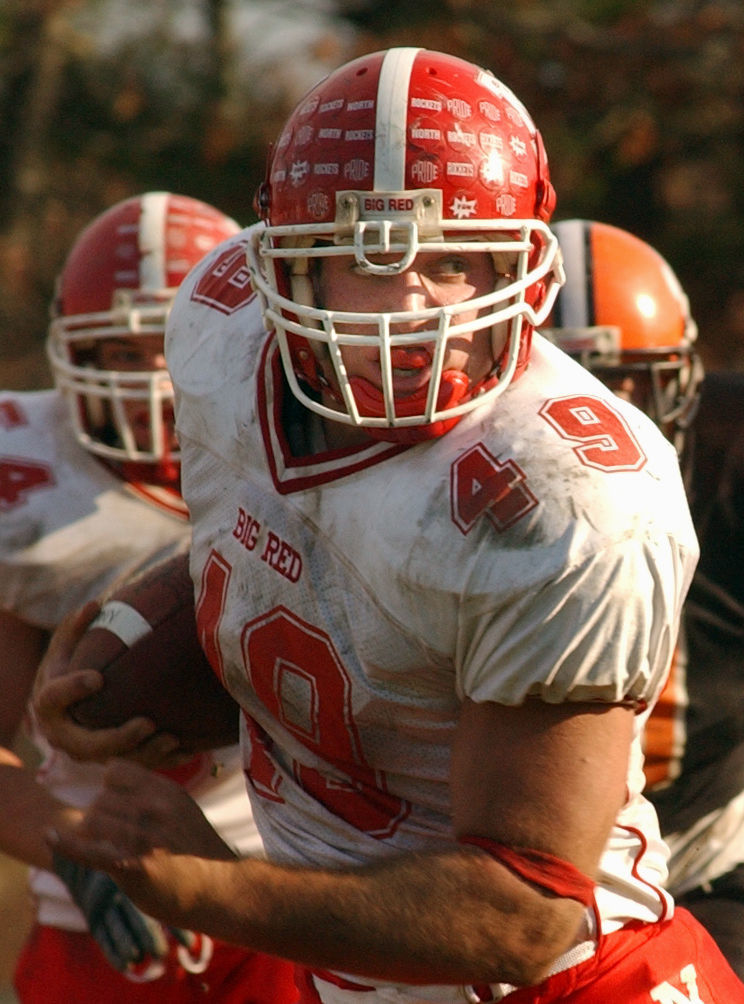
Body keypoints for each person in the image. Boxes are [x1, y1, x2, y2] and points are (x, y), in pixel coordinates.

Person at [33, 48, 744, 1003]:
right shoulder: (220, 324)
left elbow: (523, 914)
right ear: (284, 262)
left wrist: (217, 889)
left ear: (521, 263)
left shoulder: (565, 498)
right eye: (359, 264)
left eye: (453, 260)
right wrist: (121, 660)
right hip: (358, 971)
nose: (411, 306)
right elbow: (278, 536)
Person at [0, 192, 296, 1003]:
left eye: (170, 345)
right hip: (110, 905)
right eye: (119, 353)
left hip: (299, 888)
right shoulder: (27, 474)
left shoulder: (321, 457)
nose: (149, 382)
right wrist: (76, 848)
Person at [544, 216, 744, 978]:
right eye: (573, 376)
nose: (609, 410)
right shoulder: (434, 485)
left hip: (703, 853)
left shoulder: (725, 461)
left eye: (635, 379)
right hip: (509, 862)